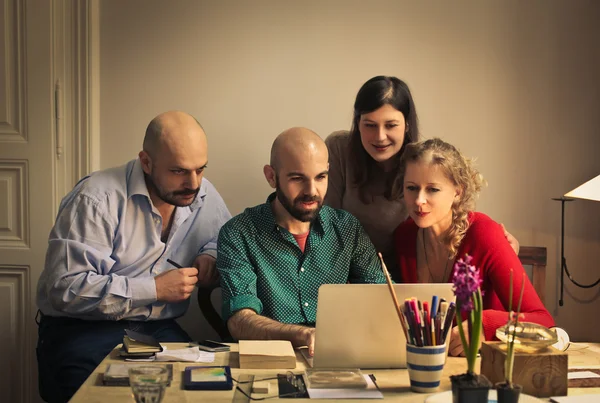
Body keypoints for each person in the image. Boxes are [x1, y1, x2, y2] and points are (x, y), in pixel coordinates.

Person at [36, 111, 231, 402]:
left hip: (158, 330)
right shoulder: (95, 199)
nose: (193, 183)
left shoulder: (204, 193)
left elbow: (222, 240)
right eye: (178, 171)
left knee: (205, 392)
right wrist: (154, 288)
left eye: (200, 169)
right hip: (82, 330)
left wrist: (209, 257)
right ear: (146, 162)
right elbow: (64, 289)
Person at [325, 76, 519, 280]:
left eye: (390, 125)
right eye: (370, 125)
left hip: (397, 280)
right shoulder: (339, 148)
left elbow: (449, 207)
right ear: (358, 123)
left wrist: (499, 243)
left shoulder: (418, 162)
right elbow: (326, 221)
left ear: (407, 124)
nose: (380, 136)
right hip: (340, 273)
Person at [216, 127, 386, 356]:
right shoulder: (238, 233)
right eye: (297, 178)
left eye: (321, 177)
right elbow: (239, 320)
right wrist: (301, 334)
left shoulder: (347, 229)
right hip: (269, 360)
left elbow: (381, 298)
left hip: (339, 356)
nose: (311, 191)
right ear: (271, 176)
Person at [393, 138, 555, 356]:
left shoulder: (484, 233)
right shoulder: (403, 236)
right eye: (412, 188)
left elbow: (542, 319)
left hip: (482, 369)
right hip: (424, 366)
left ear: (457, 192)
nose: (419, 200)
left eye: (432, 189)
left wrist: (485, 325)